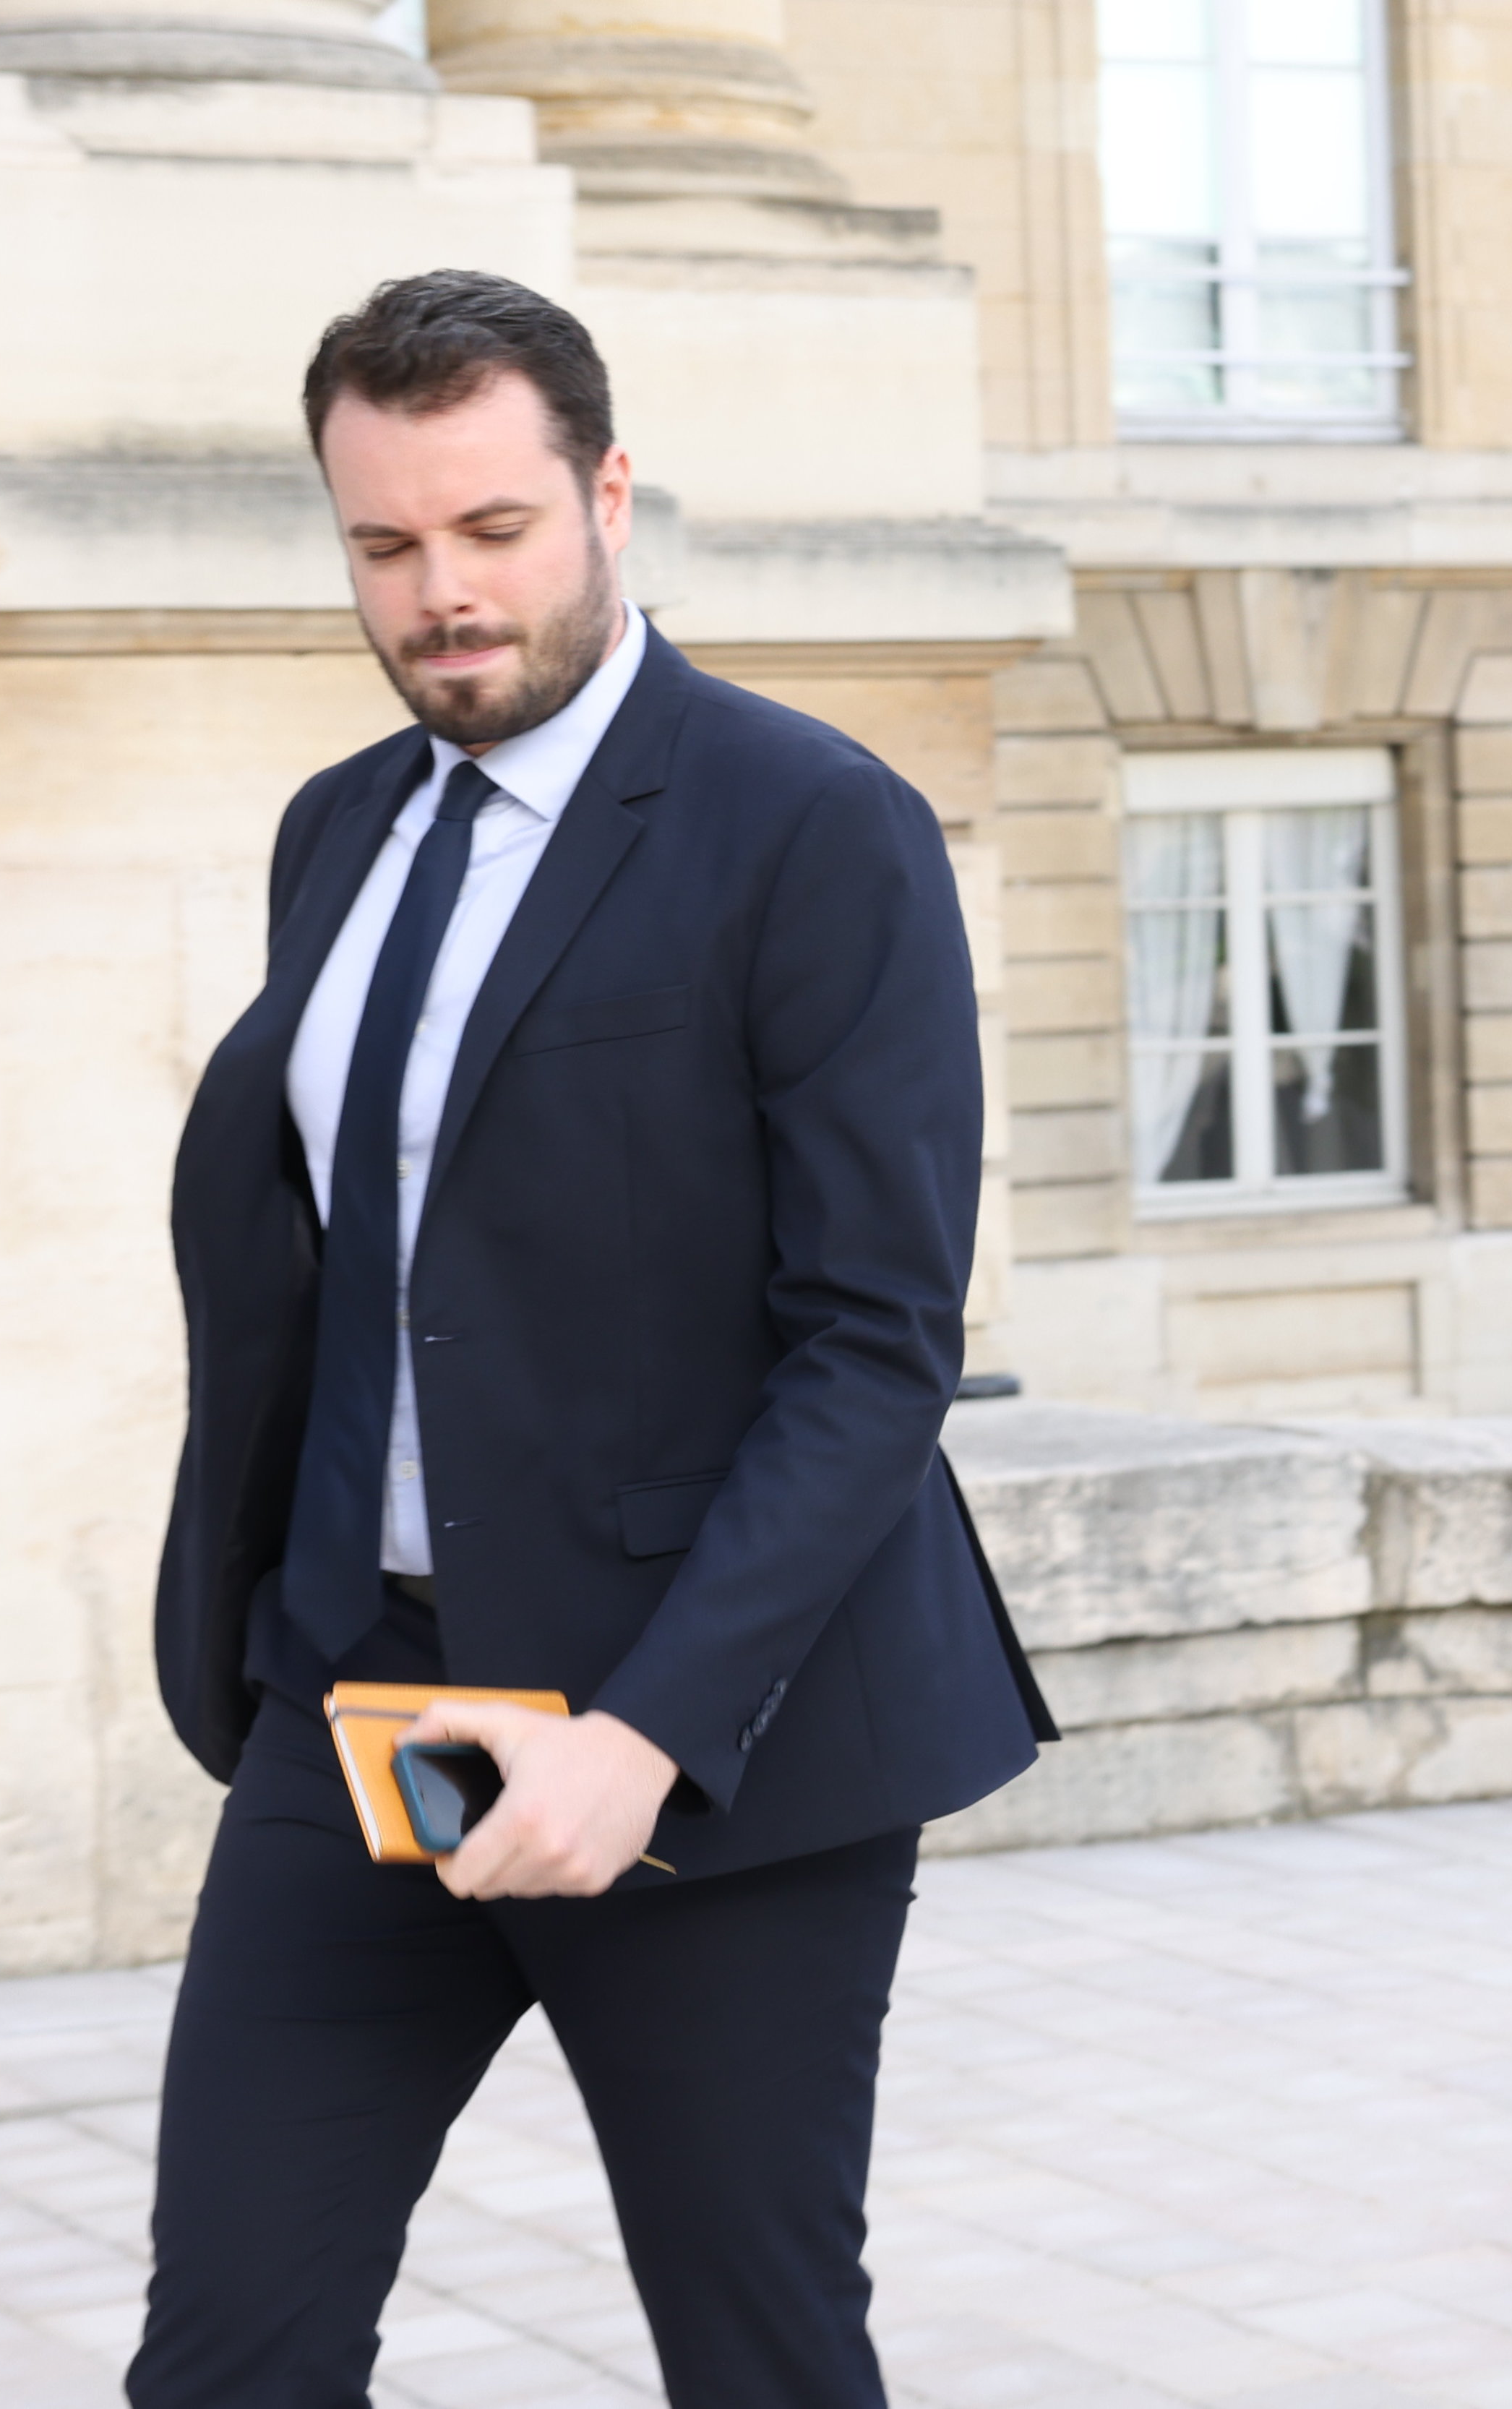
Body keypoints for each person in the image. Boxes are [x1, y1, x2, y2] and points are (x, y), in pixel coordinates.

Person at [137, 270, 1053, 2408]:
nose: (440, 595)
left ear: (608, 493)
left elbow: (871, 1340)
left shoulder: (813, 824)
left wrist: (644, 1729)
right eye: (384, 545)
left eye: (491, 530)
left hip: (699, 1750)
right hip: (369, 1709)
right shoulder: (337, 829)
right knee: (226, 2352)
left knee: (758, 2359)